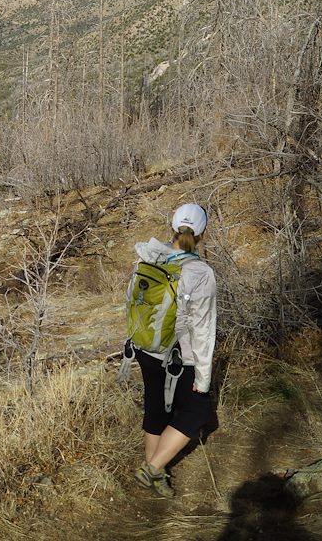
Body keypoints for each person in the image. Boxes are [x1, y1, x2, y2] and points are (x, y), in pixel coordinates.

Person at [130, 202, 217, 498]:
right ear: (202, 235)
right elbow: (203, 330)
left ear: (172, 228)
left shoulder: (147, 257)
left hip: (145, 348)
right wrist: (203, 379)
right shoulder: (200, 273)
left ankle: (156, 474)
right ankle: (152, 468)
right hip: (179, 356)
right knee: (198, 409)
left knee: (156, 407)